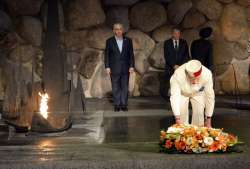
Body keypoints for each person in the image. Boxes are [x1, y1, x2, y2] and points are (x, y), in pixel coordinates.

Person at [169, 60, 215, 127]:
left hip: (197, 92)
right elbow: (174, 97)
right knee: (181, 119)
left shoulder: (207, 74)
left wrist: (208, 119)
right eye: (192, 78)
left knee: (199, 115)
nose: (194, 82)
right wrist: (177, 118)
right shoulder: (177, 75)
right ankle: (183, 133)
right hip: (182, 93)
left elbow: (210, 96)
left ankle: (198, 133)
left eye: (197, 79)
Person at [104, 23, 135, 112]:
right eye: (116, 29)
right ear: (113, 31)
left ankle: (124, 104)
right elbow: (106, 55)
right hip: (114, 68)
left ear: (123, 30)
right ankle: (117, 105)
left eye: (120, 29)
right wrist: (107, 66)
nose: (118, 31)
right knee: (115, 86)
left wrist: (132, 65)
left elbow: (131, 54)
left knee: (125, 86)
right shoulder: (109, 41)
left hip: (126, 68)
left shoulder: (128, 40)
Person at [164, 28, 189, 92]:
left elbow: (186, 55)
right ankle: (171, 96)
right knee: (171, 85)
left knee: (181, 84)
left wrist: (180, 66)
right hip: (170, 67)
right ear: (172, 34)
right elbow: (167, 56)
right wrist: (174, 65)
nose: (177, 35)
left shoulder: (184, 42)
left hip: (181, 67)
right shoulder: (167, 43)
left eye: (178, 33)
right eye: (175, 33)